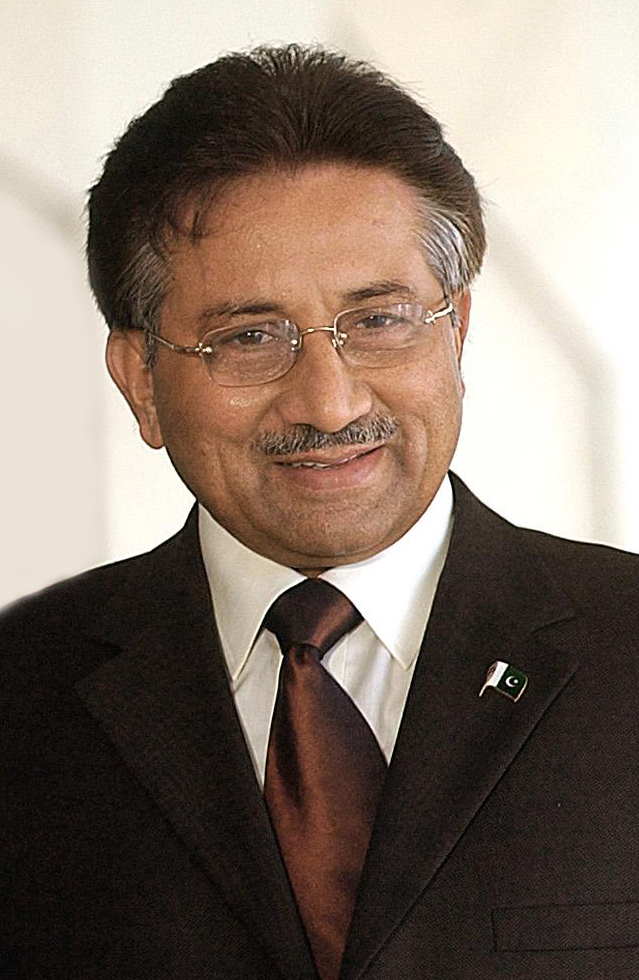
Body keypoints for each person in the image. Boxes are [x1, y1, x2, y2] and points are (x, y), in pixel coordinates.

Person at [2, 43, 639, 980]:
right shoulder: (21, 697)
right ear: (140, 379)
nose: (329, 405)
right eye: (248, 337)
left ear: (456, 332)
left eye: (377, 321)